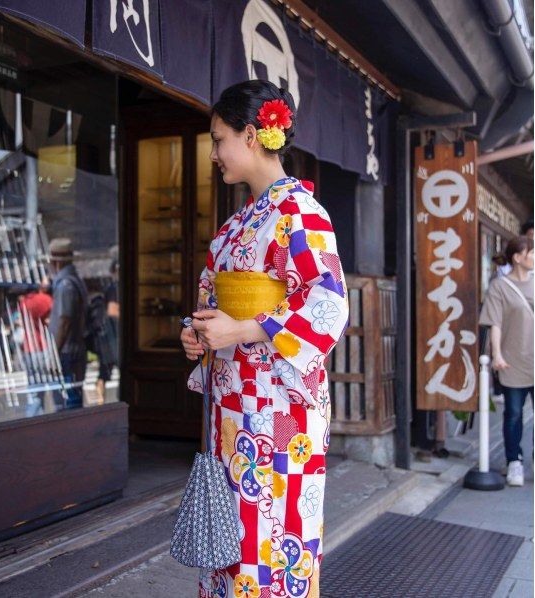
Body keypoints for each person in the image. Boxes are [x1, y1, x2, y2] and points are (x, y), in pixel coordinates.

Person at [180, 80, 348, 598]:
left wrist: (242, 328)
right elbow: (210, 301)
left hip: (280, 410)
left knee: (271, 541)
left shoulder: (300, 213)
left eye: (218, 139)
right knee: (231, 543)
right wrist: (199, 334)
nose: (213, 154)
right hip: (232, 409)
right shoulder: (233, 228)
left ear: (252, 135)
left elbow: (327, 304)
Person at [479, 235, 534, 487]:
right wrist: (497, 354)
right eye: (532, 253)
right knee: (513, 414)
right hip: (513, 361)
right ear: (518, 258)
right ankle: (514, 462)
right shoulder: (500, 287)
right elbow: (495, 324)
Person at [48, 238, 89, 409]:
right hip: (72, 351)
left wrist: (53, 354)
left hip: (67, 353)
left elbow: (64, 321)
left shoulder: (65, 285)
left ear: (55, 261)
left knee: (67, 404)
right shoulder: (74, 280)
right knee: (71, 400)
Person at [87, 260, 120, 404]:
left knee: (104, 371)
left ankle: (101, 402)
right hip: (115, 337)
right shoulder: (114, 288)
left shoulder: (111, 288)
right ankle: (103, 401)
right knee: (113, 369)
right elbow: (113, 311)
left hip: (109, 337)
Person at [19, 278, 53, 415]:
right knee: (47, 387)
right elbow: (51, 320)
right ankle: (32, 418)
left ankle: (35, 419)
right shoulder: (44, 299)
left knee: (34, 389)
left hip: (29, 348)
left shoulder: (23, 303)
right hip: (42, 346)